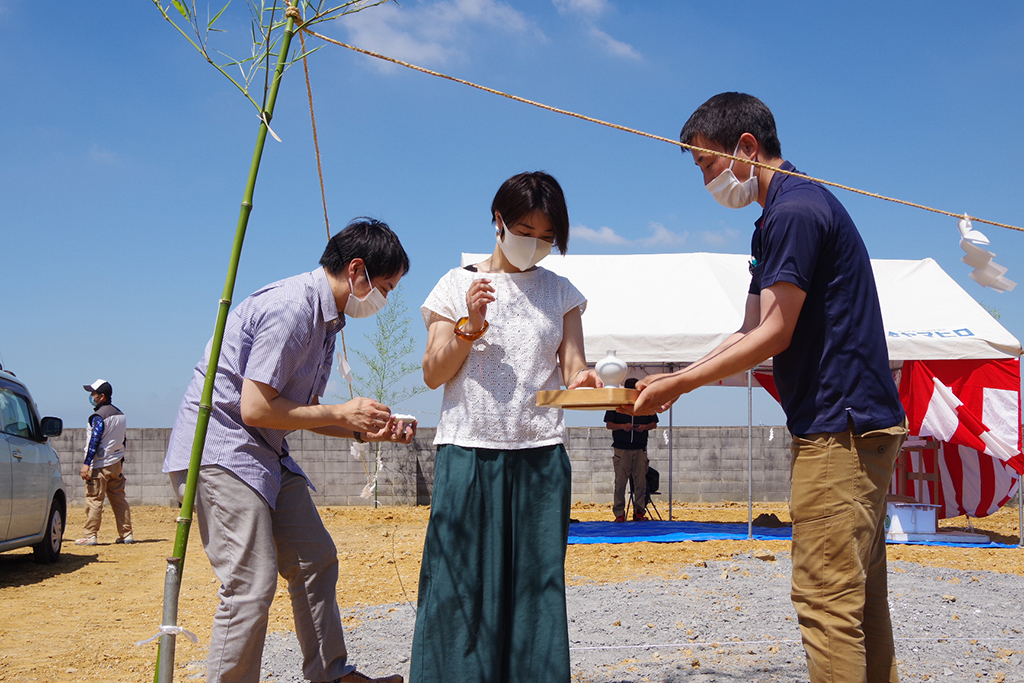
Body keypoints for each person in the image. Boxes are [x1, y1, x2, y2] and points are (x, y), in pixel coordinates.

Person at [631, 93, 907, 683]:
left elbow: (775, 332)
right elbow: (750, 330)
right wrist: (676, 377)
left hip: (840, 426)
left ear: (746, 148)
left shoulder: (795, 212)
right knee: (857, 602)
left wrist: (679, 384)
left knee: (826, 602)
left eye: (706, 164)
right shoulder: (776, 219)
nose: (704, 179)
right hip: (855, 424)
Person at [163, 218, 416, 683]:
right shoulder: (291, 308)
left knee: (314, 558)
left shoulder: (328, 321)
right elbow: (257, 407)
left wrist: (363, 431)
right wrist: (344, 414)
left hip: (265, 453)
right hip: (223, 451)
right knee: (250, 584)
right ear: (356, 270)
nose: (386, 299)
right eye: (385, 286)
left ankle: (331, 675)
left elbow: (303, 410)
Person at [409, 171, 601, 683]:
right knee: (457, 585)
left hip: (540, 455)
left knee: (537, 586)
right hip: (467, 452)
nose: (534, 244)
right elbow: (433, 373)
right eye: (525, 230)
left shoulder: (561, 292)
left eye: (545, 237)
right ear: (498, 221)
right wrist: (469, 326)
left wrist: (587, 381)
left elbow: (573, 368)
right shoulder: (455, 284)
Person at [75, 379, 134, 546]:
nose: (91, 396)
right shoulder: (120, 415)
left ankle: (90, 535)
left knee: (94, 499)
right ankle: (126, 534)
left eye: (93, 394)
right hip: (116, 463)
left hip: (100, 465)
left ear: (102, 396)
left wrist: (87, 463)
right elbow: (123, 440)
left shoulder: (98, 416)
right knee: (119, 499)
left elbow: (95, 440)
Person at [603, 377, 658, 522]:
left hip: (640, 448)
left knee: (641, 482)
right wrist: (623, 426)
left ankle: (639, 511)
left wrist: (643, 427)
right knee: (620, 483)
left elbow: (653, 423)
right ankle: (619, 513)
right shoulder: (616, 403)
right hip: (621, 449)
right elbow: (609, 424)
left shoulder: (646, 404)